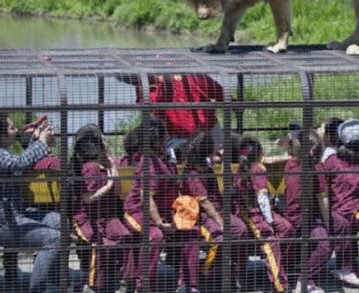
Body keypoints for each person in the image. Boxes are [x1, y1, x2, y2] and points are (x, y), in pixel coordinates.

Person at [0, 112, 61, 293]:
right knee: (54, 238)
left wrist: (37, 139)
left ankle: (53, 283)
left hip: (16, 214)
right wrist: (41, 142)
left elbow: (19, 164)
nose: (15, 130)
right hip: (1, 224)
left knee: (59, 221)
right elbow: (19, 164)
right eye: (11, 128)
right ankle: (38, 290)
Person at [122, 115, 200, 293]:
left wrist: (178, 217)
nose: (165, 138)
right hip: (138, 213)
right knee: (154, 236)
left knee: (192, 232)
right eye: (162, 136)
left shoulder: (167, 158)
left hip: (164, 213)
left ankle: (188, 285)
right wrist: (160, 223)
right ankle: (143, 287)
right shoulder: (149, 163)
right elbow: (146, 197)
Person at [182, 131, 249, 290]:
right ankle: (207, 273)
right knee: (219, 238)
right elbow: (204, 203)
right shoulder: (192, 174)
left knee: (241, 230)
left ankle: (233, 273)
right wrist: (221, 222)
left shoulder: (208, 169)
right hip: (202, 216)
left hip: (219, 212)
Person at [70, 123, 131, 293]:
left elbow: (118, 193)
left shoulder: (106, 167)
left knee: (125, 236)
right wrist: (109, 184)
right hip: (87, 219)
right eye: (103, 141)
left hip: (108, 217)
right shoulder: (89, 168)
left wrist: (113, 170)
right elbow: (88, 199)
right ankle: (93, 285)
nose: (106, 143)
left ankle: (127, 281)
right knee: (101, 244)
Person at [118, 73, 224, 162]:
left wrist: (233, 103)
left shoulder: (191, 75)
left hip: (209, 129)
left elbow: (216, 90)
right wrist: (166, 80)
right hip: (178, 138)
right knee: (187, 163)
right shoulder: (145, 87)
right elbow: (160, 101)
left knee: (225, 154)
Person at [234, 136, 292, 293]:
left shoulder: (248, 166)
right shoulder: (256, 170)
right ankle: (280, 285)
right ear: (259, 153)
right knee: (270, 241)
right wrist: (270, 221)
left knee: (286, 228)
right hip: (251, 214)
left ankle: (275, 265)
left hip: (262, 211)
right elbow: (262, 199)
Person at [278, 129, 331, 293]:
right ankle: (304, 279)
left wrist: (327, 224)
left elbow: (322, 198)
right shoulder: (292, 163)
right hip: (297, 220)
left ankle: (305, 279)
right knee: (324, 243)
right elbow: (323, 199)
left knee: (327, 239)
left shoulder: (313, 167)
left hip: (309, 219)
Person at [319, 119, 359, 288]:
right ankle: (345, 268)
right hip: (345, 211)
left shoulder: (332, 160)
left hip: (348, 209)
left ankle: (349, 267)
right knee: (343, 223)